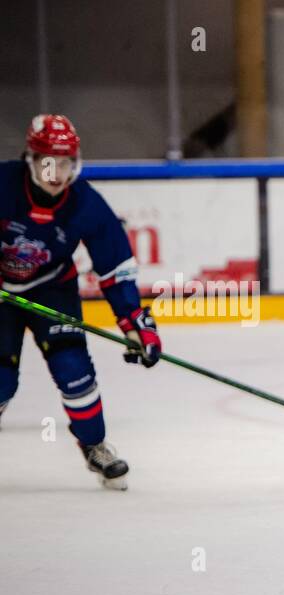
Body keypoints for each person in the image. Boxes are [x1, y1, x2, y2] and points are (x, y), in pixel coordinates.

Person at [0, 114, 161, 489]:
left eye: (66, 163)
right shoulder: (4, 185)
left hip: (52, 289)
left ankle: (94, 446)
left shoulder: (86, 205)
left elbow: (115, 269)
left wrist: (135, 323)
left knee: (75, 371)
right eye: (48, 163)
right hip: (2, 294)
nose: (57, 174)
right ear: (31, 159)